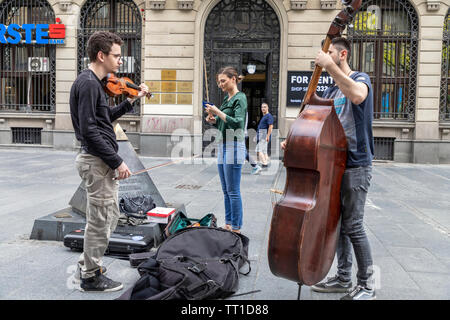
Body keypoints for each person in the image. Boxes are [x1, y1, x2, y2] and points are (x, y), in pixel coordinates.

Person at [282, 37, 375, 300]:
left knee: (354, 226)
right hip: (336, 167)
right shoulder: (333, 92)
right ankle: (344, 278)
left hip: (357, 165)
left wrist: (329, 67)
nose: (323, 57)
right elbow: (322, 128)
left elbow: (357, 95)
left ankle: (368, 286)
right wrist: (298, 140)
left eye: (329, 53)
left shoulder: (360, 79)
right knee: (339, 225)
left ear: (342, 54)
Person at [69, 31, 149, 292]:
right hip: (97, 161)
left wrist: (130, 101)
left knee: (109, 216)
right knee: (100, 220)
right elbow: (90, 130)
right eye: (116, 55)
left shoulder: (95, 83)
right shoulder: (89, 84)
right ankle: (90, 277)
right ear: (101, 55)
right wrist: (117, 161)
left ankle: (87, 264)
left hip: (99, 160)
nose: (120, 61)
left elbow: (104, 120)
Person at [205, 66, 247, 233]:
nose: (220, 84)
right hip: (223, 145)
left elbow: (238, 122)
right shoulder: (226, 99)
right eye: (219, 81)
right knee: (225, 190)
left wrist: (218, 111)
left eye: (223, 81)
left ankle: (236, 227)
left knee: (233, 190)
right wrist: (213, 118)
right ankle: (229, 223)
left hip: (234, 145)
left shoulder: (240, 98)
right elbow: (224, 122)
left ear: (233, 79)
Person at [256, 102, 273, 168]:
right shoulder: (264, 116)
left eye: (265, 107)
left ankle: (265, 163)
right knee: (264, 151)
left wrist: (267, 136)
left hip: (264, 135)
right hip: (261, 134)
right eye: (262, 107)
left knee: (259, 150)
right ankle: (266, 162)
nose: (263, 108)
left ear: (268, 108)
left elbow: (271, 126)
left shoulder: (269, 116)